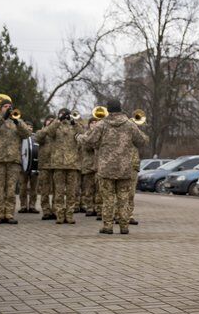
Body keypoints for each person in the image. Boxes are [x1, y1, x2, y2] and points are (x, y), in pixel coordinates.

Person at [78, 99, 147, 234]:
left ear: (108, 110)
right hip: (125, 168)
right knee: (123, 198)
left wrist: (78, 137)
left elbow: (89, 140)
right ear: (121, 108)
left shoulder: (102, 125)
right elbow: (142, 140)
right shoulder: (129, 124)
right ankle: (124, 226)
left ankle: (108, 226)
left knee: (108, 198)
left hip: (106, 168)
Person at [0, 98, 32, 224]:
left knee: (11, 189)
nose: (8, 108)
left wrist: (17, 122)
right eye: (5, 106)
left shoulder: (17, 120)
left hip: (13, 160)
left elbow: (27, 134)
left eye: (9, 106)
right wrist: (2, 118)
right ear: (0, 108)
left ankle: (9, 214)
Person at [43, 108, 83, 224]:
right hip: (58, 164)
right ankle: (60, 215)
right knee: (59, 192)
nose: (65, 116)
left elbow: (83, 133)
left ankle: (69, 215)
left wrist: (73, 122)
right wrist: (58, 119)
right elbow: (48, 132)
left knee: (71, 192)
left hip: (72, 164)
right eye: (63, 115)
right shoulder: (56, 125)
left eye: (66, 114)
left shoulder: (74, 126)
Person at [35, 116, 56, 220]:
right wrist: (48, 128)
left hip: (56, 165)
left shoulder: (56, 133)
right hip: (44, 165)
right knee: (45, 190)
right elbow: (38, 138)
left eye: (53, 120)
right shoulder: (41, 132)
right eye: (48, 120)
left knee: (57, 190)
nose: (50, 122)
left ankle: (56, 210)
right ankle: (46, 211)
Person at [18, 127, 39, 214]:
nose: (29, 129)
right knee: (23, 186)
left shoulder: (36, 137)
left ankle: (32, 206)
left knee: (34, 187)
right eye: (27, 127)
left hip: (34, 165)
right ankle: (23, 206)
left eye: (31, 127)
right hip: (23, 165)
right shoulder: (20, 138)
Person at [79, 117, 98, 217]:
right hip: (88, 165)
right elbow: (87, 146)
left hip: (98, 165)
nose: (94, 124)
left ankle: (98, 208)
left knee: (98, 189)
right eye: (92, 123)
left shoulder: (101, 134)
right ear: (89, 124)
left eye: (96, 122)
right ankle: (90, 207)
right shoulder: (86, 135)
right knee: (88, 189)